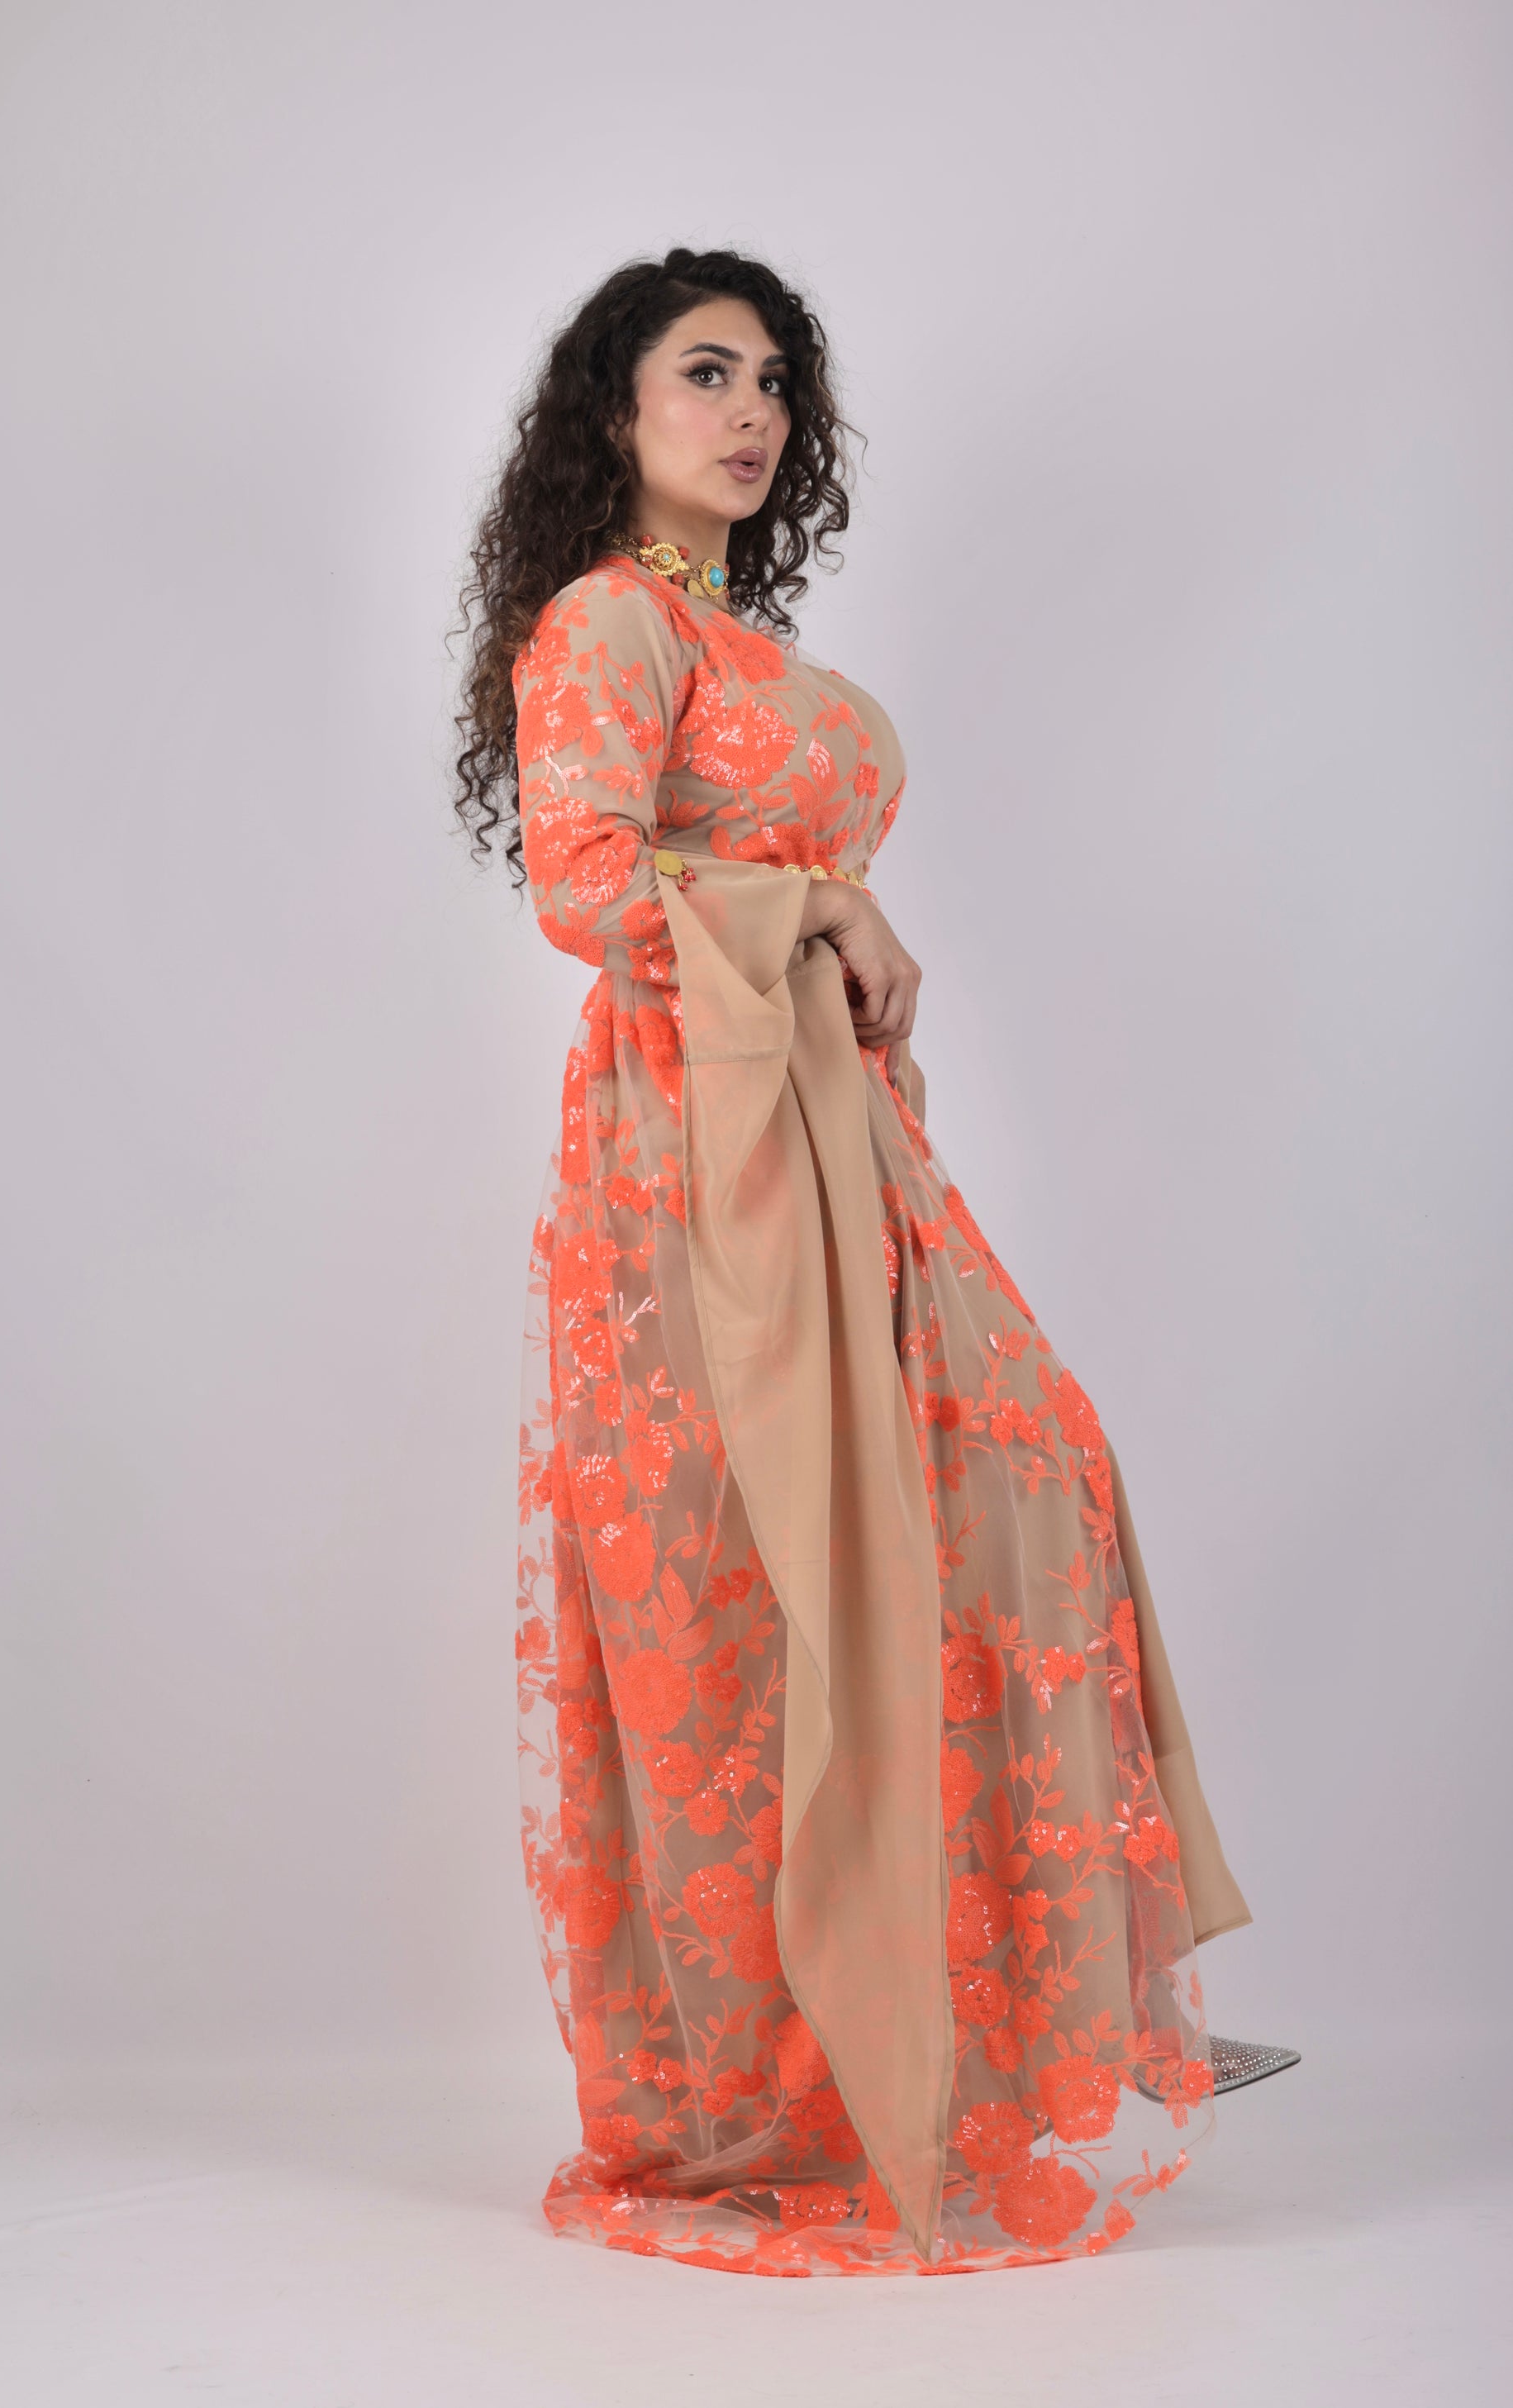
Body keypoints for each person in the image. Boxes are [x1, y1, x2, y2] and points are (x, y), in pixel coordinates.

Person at [453, 245, 1294, 2277]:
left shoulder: (740, 642)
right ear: (612, 409)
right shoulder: (605, 619)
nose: (748, 413)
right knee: (755, 1593)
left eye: (774, 384)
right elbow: (581, 877)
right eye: (703, 372)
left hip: (841, 1140)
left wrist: (833, 934)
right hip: (696, 1152)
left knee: (1017, 1467)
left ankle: (1037, 2003)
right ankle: (794, 2081)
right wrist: (821, 902)